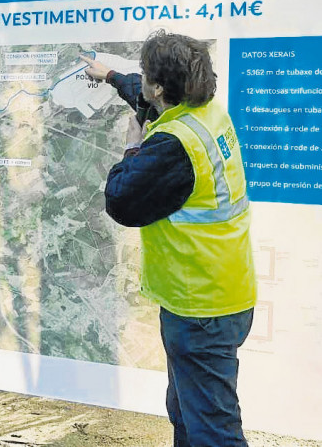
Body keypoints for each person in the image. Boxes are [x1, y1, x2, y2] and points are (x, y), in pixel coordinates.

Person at [81, 31, 256, 447]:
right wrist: (111, 76)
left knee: (213, 431)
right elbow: (147, 100)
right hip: (223, 295)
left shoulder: (174, 145)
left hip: (200, 310)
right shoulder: (206, 112)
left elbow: (122, 202)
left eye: (145, 75)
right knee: (188, 415)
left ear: (160, 86)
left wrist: (131, 148)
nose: (141, 82)